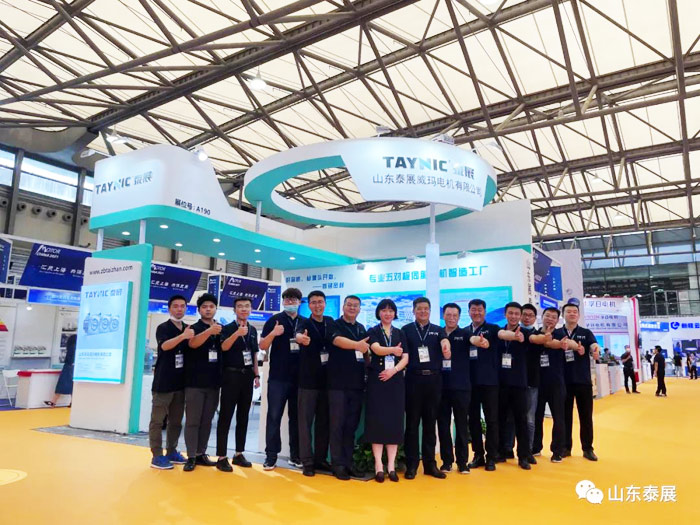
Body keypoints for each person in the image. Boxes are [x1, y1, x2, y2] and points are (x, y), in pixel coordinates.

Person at [402, 297, 451, 480]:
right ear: (413, 311)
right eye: (419, 309)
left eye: (426, 309)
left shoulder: (438, 330)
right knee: (412, 424)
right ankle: (411, 465)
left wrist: (446, 347)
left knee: (430, 424)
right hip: (413, 380)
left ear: (430, 311)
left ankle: (430, 465)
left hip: (434, 380)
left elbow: (445, 342)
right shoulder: (406, 330)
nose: (423, 311)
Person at [326, 295, 370, 480]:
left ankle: (348, 462)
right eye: (349, 305)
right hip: (337, 384)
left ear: (359, 309)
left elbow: (366, 353)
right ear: (343, 307)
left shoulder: (361, 328)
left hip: (357, 384)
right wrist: (358, 345)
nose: (352, 308)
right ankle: (337, 464)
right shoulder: (334, 325)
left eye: (355, 306)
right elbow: (337, 341)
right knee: (337, 425)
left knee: (351, 426)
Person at [260, 287, 304, 470]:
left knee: (297, 418)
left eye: (294, 299)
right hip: (278, 378)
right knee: (274, 416)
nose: (290, 302)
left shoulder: (304, 322)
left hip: (299, 378)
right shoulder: (274, 320)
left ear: (300, 302)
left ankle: (295, 455)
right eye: (287, 299)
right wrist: (274, 333)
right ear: (283, 301)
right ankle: (271, 456)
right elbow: (262, 345)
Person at [146, 295, 192, 470]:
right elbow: (165, 346)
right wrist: (183, 337)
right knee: (157, 421)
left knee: (176, 421)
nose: (179, 309)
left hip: (180, 383)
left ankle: (171, 451)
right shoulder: (163, 328)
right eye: (175, 306)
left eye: (182, 306)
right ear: (169, 308)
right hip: (163, 382)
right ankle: (157, 455)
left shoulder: (188, 328)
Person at [215, 297, 261, 472]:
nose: (244, 309)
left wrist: (256, 374)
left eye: (247, 306)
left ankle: (239, 453)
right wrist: (237, 334)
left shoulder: (253, 330)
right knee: (226, 415)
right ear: (234, 310)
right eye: (240, 306)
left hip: (247, 376)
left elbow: (254, 354)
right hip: (230, 375)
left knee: (243, 416)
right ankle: (221, 456)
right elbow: (224, 347)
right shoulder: (227, 328)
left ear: (251, 309)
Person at [366, 299, 408, 483]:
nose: (388, 313)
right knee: (377, 421)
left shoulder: (400, 332)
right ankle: (378, 466)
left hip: (395, 380)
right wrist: (392, 350)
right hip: (377, 381)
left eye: (391, 310)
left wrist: (394, 370)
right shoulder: (373, 331)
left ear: (395, 313)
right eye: (384, 310)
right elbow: (376, 349)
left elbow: (405, 357)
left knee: (394, 422)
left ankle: (391, 466)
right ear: (379, 313)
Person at [556, 303, 601, 462]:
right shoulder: (557, 333)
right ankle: (565, 447)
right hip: (563, 381)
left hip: (583, 381)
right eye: (569, 311)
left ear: (579, 315)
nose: (572, 314)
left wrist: (595, 350)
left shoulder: (586, 333)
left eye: (575, 312)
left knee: (586, 416)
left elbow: (594, 345)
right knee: (565, 416)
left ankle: (588, 448)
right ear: (563, 315)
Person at [183, 293, 223, 472]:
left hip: (213, 383)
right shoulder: (193, 327)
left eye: (211, 306)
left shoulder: (221, 329)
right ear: (199, 310)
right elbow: (193, 344)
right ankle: (191, 456)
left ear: (215, 309)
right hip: (194, 382)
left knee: (207, 421)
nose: (208, 309)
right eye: (204, 307)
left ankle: (201, 453)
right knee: (193, 420)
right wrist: (209, 331)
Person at [295, 291, 332, 477]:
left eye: (320, 302)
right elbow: (298, 335)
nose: (318, 305)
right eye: (314, 302)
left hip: (328, 382)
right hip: (308, 382)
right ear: (309, 305)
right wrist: (300, 339)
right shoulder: (304, 323)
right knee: (305, 424)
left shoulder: (330, 322)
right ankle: (307, 461)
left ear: (325, 304)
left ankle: (320, 459)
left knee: (324, 423)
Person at [466, 299, 501, 471]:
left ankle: (492, 456)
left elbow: (503, 335)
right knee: (473, 420)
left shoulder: (493, 329)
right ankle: (478, 454)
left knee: (492, 419)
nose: (477, 313)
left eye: (480, 310)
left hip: (490, 383)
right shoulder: (465, 331)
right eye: (473, 310)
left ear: (485, 312)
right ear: (469, 312)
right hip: (470, 383)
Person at [496, 302, 532, 470]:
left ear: (520, 316)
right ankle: (502, 452)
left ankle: (523, 456)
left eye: (517, 314)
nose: (513, 316)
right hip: (501, 383)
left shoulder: (526, 333)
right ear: (505, 314)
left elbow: (534, 341)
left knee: (521, 421)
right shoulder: (498, 333)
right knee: (501, 419)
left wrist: (522, 339)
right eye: (510, 313)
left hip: (519, 384)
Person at [437, 303, 471, 474]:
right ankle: (446, 461)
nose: (451, 318)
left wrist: (481, 341)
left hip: (461, 387)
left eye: (454, 315)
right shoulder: (438, 334)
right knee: (443, 425)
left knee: (461, 424)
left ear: (459, 317)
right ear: (443, 315)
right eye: (448, 315)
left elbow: (474, 341)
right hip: (441, 387)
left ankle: (463, 462)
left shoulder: (465, 334)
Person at [530, 307, 567, 463]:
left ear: (557, 320)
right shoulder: (534, 334)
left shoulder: (561, 334)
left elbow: (562, 344)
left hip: (556, 382)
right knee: (536, 417)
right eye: (547, 316)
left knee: (558, 418)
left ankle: (557, 451)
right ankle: (535, 447)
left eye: (553, 317)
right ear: (542, 317)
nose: (550, 319)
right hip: (537, 382)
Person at [520, 303, 540, 465]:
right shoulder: (511, 332)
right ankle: (507, 449)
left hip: (532, 381)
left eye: (530, 315)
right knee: (510, 418)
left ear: (534, 318)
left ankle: (528, 451)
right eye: (524, 314)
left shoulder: (539, 335)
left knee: (529, 419)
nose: (527, 318)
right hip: (513, 382)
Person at [45, 334, 77, 408]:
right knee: (72, 385)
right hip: (72, 368)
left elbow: (69, 359)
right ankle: (72, 402)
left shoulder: (71, 347)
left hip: (68, 367)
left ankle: (53, 402)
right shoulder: (75, 348)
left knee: (62, 385)